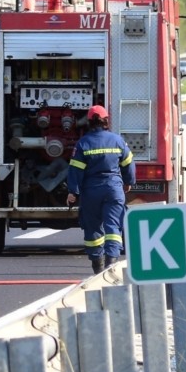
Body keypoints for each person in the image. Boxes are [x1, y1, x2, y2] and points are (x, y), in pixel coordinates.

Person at [64, 104, 134, 275]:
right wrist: (128, 182)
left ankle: (98, 269)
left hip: (91, 192)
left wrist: (73, 192)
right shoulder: (117, 140)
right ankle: (111, 264)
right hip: (113, 190)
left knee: (93, 228)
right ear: (106, 121)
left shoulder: (83, 143)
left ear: (88, 122)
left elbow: (75, 170)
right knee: (113, 227)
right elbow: (128, 164)